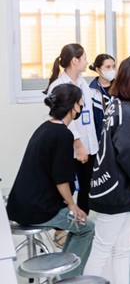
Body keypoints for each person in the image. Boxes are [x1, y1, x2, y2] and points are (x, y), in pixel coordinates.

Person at [7, 84, 94, 279]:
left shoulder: (45, 127)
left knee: (77, 227)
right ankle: (70, 279)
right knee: (87, 228)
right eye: (80, 102)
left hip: (19, 205)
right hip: (37, 209)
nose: (81, 106)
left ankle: (65, 270)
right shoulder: (63, 134)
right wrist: (73, 206)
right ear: (74, 106)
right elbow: (61, 179)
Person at [83, 55, 130, 283]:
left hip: (120, 190)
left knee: (123, 249)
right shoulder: (127, 111)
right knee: (102, 250)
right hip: (115, 190)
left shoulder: (120, 104)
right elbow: (129, 154)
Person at [43, 44, 99, 217]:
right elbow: (63, 120)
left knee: (86, 189)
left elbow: (88, 115)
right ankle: (61, 227)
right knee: (67, 188)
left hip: (89, 146)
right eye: (84, 58)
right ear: (75, 61)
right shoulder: (58, 86)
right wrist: (79, 145)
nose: (87, 62)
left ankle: (82, 224)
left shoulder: (83, 83)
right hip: (71, 148)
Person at [88, 53, 116, 142]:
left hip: (118, 137)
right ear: (98, 70)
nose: (112, 70)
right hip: (100, 138)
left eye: (113, 66)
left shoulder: (120, 87)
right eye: (108, 67)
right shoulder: (91, 91)